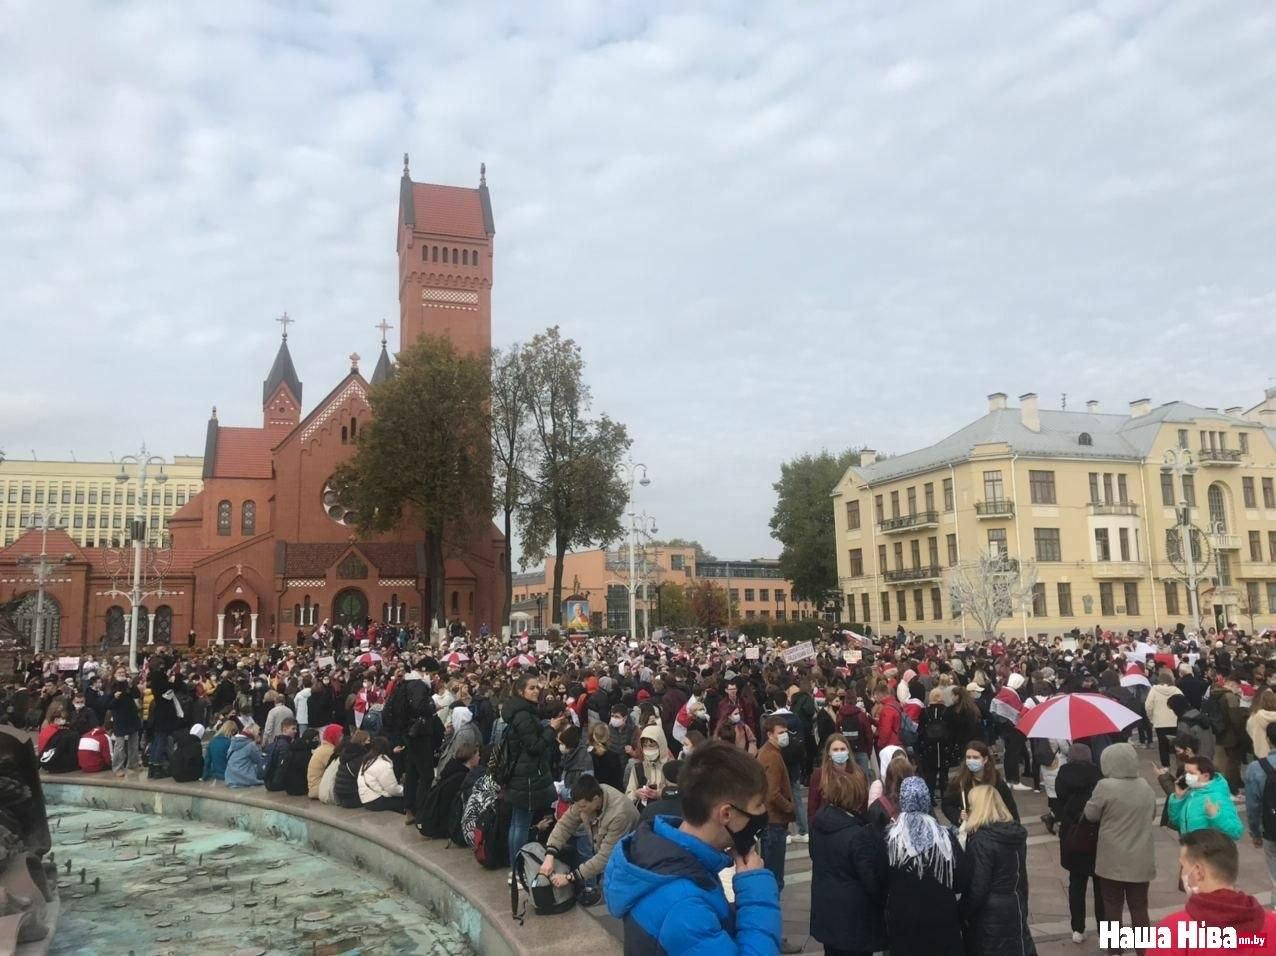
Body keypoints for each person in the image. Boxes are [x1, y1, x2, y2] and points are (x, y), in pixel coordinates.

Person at [603, 740, 782, 954]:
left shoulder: (666, 854)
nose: (762, 812)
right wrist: (756, 893)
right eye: (758, 804)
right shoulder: (684, 905)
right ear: (726, 813)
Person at [808, 752, 886, 956]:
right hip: (853, 917)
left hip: (826, 909)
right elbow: (870, 878)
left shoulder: (819, 823)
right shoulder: (857, 834)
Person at [1153, 828, 1276, 956]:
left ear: (1198, 871)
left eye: (1183, 866)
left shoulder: (1171, 933)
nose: (1181, 873)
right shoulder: (1272, 924)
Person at [1084, 741, 1156, 948]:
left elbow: (1091, 814)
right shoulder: (1145, 786)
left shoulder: (1105, 786)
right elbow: (1151, 815)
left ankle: (1115, 948)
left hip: (1112, 857)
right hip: (1141, 856)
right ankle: (1143, 949)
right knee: (1139, 906)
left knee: (1112, 905)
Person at [884, 777, 964, 956]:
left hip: (904, 919)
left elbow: (881, 878)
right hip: (942, 918)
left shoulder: (890, 839)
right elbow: (962, 877)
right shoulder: (944, 837)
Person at [960, 785, 1036, 955]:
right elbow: (1021, 876)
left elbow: (977, 887)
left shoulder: (982, 840)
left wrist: (961, 912)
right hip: (1013, 903)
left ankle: (1110, 942)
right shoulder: (1015, 835)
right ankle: (1110, 946)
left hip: (991, 914)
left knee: (1110, 902)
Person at [538, 774, 639, 903]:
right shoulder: (585, 798)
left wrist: (569, 877)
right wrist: (549, 855)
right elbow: (565, 825)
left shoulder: (619, 813)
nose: (579, 810)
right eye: (577, 806)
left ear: (596, 799)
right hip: (608, 855)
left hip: (630, 861)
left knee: (617, 901)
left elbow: (605, 857)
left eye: (583, 806)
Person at [503, 674, 566, 872]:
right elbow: (534, 746)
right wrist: (552, 729)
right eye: (531, 688)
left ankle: (515, 867)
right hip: (526, 776)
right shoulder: (523, 715)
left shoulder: (521, 712)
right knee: (520, 825)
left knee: (517, 823)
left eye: (537, 687)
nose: (536, 691)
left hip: (520, 773)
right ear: (521, 691)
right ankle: (517, 869)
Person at [1054, 742, 1105, 945]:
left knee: (1076, 884)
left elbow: (1057, 798)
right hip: (1095, 833)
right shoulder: (1098, 774)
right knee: (1101, 886)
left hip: (1072, 834)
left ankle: (1078, 929)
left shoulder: (1063, 773)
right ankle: (1104, 932)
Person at [757, 715, 796, 899]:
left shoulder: (769, 752)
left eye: (785, 732)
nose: (784, 735)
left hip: (771, 820)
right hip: (774, 821)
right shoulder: (771, 756)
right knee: (774, 876)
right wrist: (789, 807)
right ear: (770, 734)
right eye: (780, 732)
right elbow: (772, 792)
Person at [941, 740, 1019, 826]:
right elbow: (947, 804)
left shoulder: (997, 780)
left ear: (985, 759)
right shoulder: (960, 781)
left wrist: (1015, 829)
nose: (971, 761)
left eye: (975, 757)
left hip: (994, 827)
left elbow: (1010, 807)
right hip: (971, 828)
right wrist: (958, 816)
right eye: (968, 757)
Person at [1168, 754, 1243, 839]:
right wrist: (1178, 798)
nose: (1186, 776)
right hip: (1192, 848)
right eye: (1186, 772)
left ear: (1206, 776)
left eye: (1191, 773)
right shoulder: (1192, 792)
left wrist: (1216, 816)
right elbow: (1176, 822)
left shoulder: (1218, 797)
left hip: (1208, 850)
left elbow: (1236, 832)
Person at [917, 688, 952, 801]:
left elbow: (920, 729)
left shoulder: (924, 711)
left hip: (929, 745)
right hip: (944, 745)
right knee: (944, 772)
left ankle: (931, 796)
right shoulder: (947, 711)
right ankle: (944, 795)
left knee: (930, 774)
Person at [808, 733, 852, 820]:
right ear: (829, 753)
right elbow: (812, 808)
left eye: (842, 749)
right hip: (827, 827)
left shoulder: (857, 774)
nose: (839, 752)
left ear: (848, 751)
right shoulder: (819, 775)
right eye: (835, 750)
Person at [357, 735, 406, 812]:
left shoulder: (367, 760)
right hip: (376, 801)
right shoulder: (383, 764)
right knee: (407, 802)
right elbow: (392, 789)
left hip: (366, 798)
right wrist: (406, 790)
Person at [1147, 670, 1185, 768]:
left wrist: (1152, 718)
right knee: (1178, 744)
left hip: (1160, 722)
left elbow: (1148, 706)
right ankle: (1180, 765)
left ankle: (1166, 767)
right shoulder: (1176, 690)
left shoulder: (1154, 690)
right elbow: (1183, 703)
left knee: (1162, 745)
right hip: (1175, 720)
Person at [626, 725, 671, 808]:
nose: (648, 749)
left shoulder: (671, 767)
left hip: (667, 814)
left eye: (651, 746)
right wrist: (636, 794)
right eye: (645, 746)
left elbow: (677, 793)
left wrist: (659, 794)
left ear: (661, 745)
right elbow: (628, 796)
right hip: (646, 813)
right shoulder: (638, 768)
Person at [307, 723, 343, 799]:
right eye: (340, 736)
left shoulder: (324, 748)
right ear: (334, 736)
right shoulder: (329, 751)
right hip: (319, 790)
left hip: (314, 788)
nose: (342, 738)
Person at [589, 722, 625, 791]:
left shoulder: (588, 755)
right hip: (611, 794)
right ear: (608, 737)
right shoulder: (614, 757)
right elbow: (618, 783)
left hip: (592, 795)